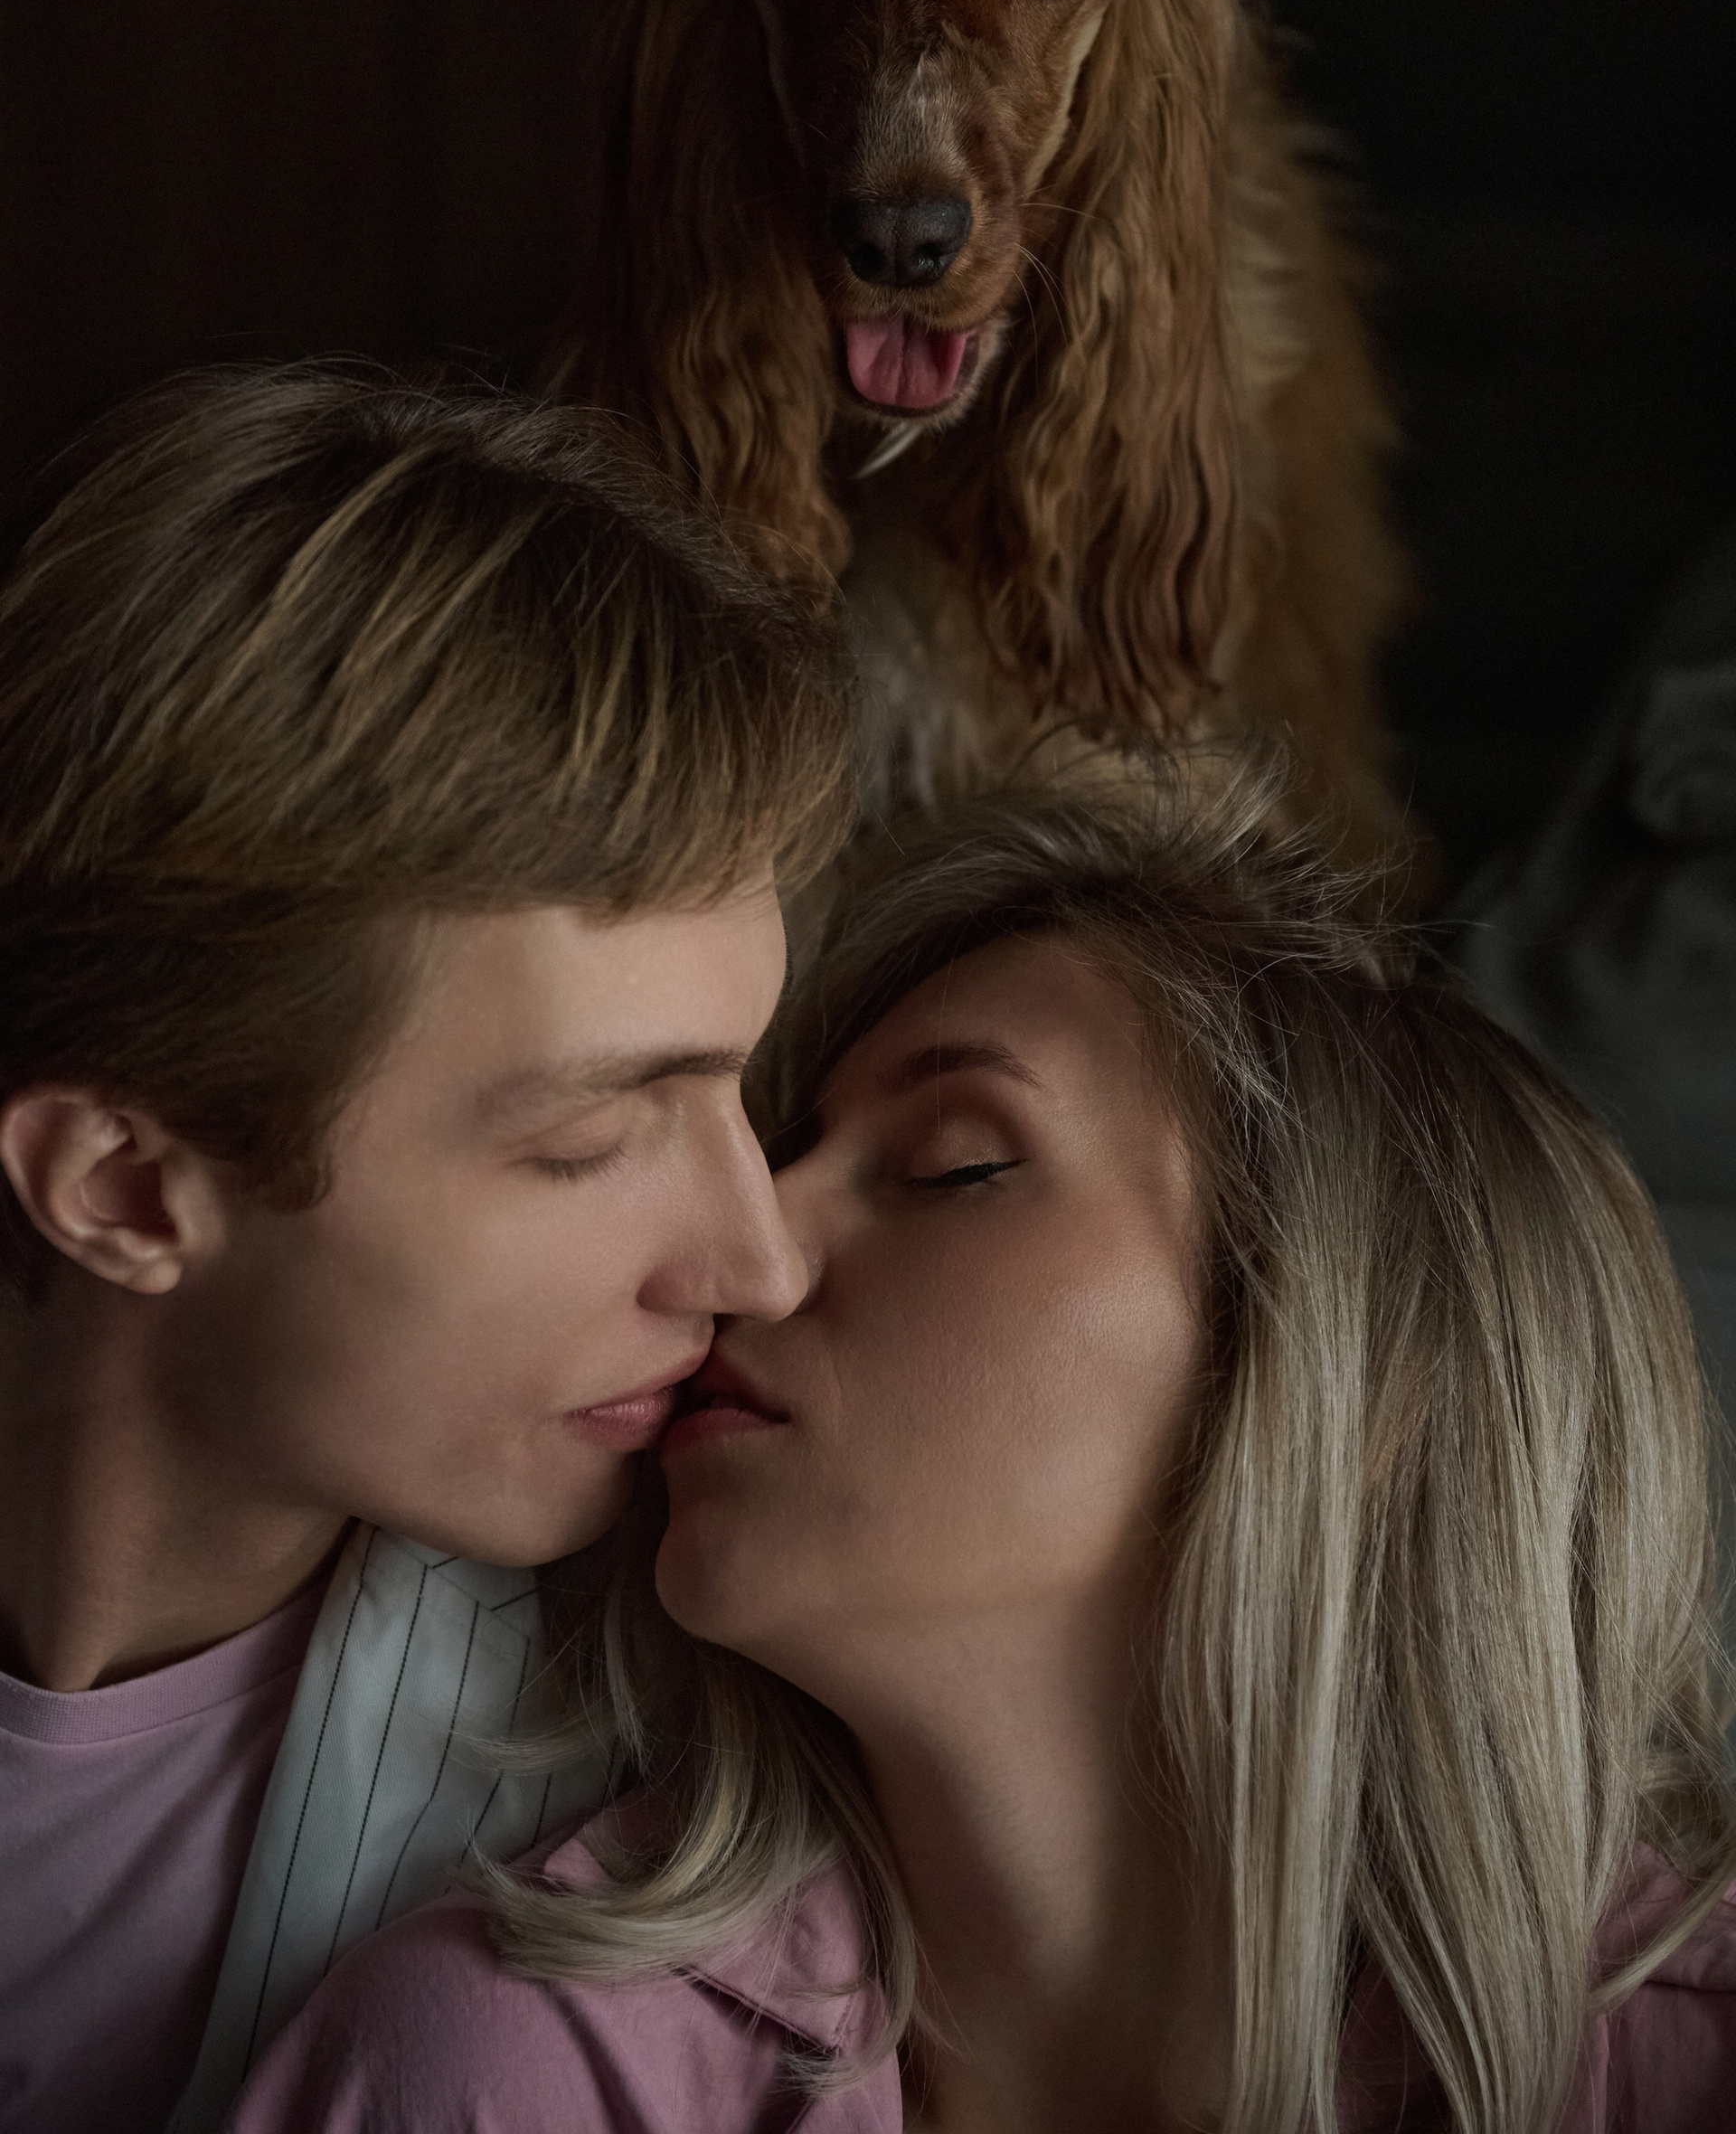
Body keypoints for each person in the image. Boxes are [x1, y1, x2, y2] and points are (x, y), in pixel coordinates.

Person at [223, 754, 1736, 2134]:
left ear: (1353, 1377)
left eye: (954, 1166)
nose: (747, 1251)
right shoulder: (510, 2077)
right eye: (789, 1148)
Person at [0, 364, 855, 2134]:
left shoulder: (677, 1809)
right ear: (124, 1191)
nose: (758, 1260)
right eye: (588, 1143)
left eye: (744, 1090)